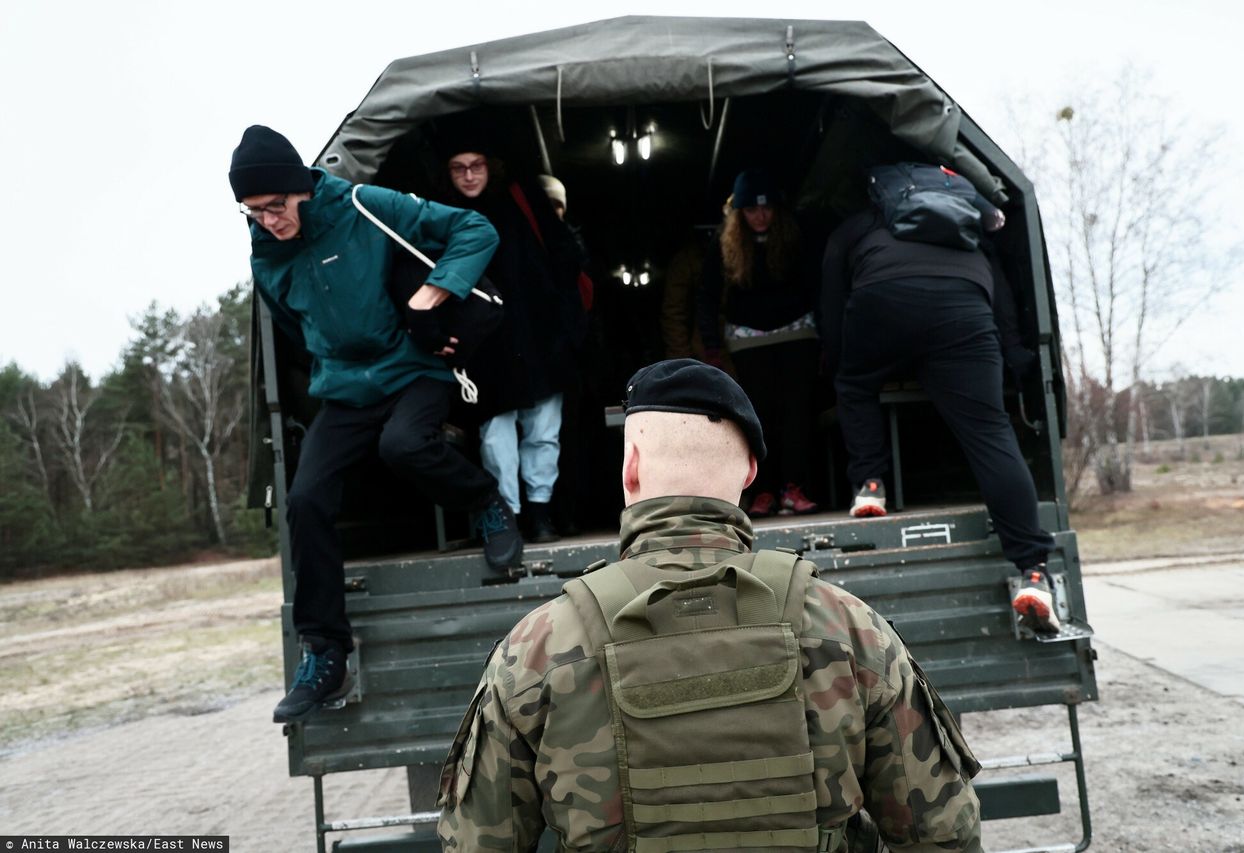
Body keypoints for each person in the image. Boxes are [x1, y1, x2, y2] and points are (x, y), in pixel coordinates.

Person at [436, 358, 983, 852]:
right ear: (750, 474)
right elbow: (942, 837)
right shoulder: (849, 628)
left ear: (629, 468)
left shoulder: (536, 649)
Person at [229, 125, 524, 723]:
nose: (267, 220)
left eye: (275, 206)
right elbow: (293, 328)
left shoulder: (364, 204)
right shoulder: (267, 256)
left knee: (405, 446)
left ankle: (486, 501)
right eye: (252, 212)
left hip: (414, 368)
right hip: (344, 387)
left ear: (300, 190)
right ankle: (325, 651)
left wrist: (433, 296)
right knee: (305, 499)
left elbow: (475, 230)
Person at [820, 169, 1060, 633]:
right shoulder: (964, 221)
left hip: (882, 302)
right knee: (990, 431)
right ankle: (1032, 570)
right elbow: (1001, 293)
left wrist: (834, 358)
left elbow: (832, 297)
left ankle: (871, 483)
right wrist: (1012, 352)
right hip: (963, 311)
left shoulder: (861, 223)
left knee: (855, 386)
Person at [443, 145, 586, 544]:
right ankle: (509, 514)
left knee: (543, 429)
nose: (469, 176)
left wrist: (564, 332)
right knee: (495, 436)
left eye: (476, 166)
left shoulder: (522, 207)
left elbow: (561, 266)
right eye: (459, 168)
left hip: (535, 334)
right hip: (486, 343)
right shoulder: (445, 217)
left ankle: (540, 513)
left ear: (492, 167)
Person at [698, 169, 822, 519]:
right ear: (740, 212)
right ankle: (763, 490)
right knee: (758, 415)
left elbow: (816, 287)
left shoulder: (796, 236)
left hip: (797, 331)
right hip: (747, 338)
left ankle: (794, 487)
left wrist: (827, 335)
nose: (760, 216)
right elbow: (706, 297)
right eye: (752, 209)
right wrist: (712, 348)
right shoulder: (724, 244)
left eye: (766, 209)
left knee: (798, 410)